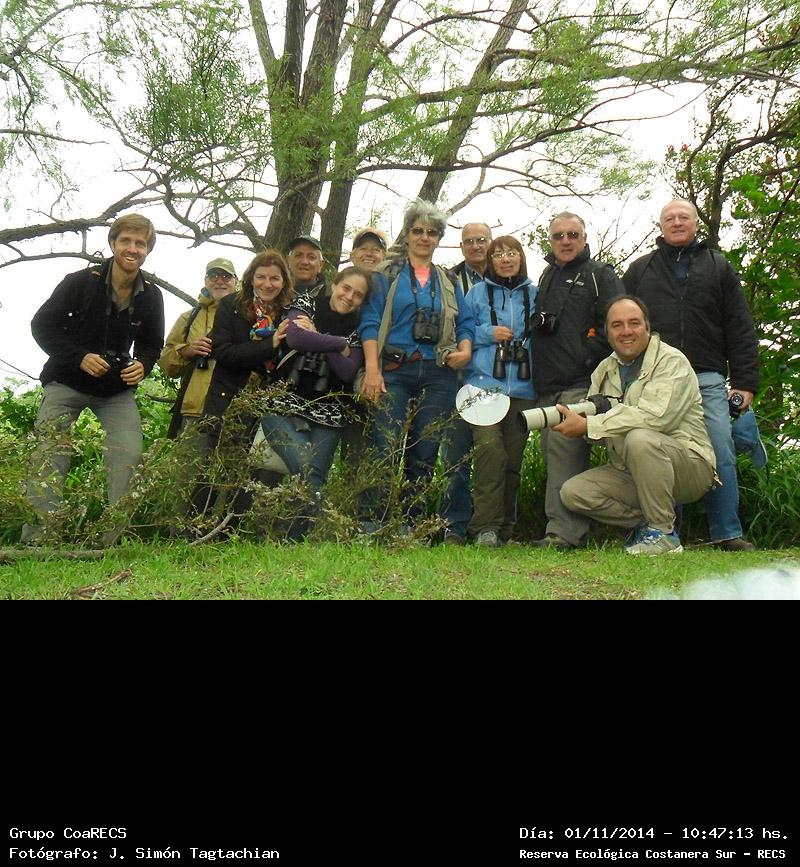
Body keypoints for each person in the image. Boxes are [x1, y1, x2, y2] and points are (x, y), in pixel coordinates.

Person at [623, 198, 760, 550]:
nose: (677, 222)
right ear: (661, 226)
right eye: (669, 218)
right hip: (656, 379)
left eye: (684, 217)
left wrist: (745, 382)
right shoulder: (640, 270)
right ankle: (664, 531)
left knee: (719, 447)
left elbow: (740, 325)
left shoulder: (718, 266)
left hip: (707, 378)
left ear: (696, 223)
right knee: (657, 451)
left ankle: (727, 533)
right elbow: (622, 326)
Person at [21, 213, 165, 544]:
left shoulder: (151, 295)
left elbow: (151, 344)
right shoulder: (79, 282)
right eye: (126, 241)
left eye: (140, 243)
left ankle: (113, 540)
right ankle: (38, 539)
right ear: (113, 244)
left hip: (115, 390)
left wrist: (143, 365)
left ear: (148, 250)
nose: (132, 249)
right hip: (65, 382)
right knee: (49, 453)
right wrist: (80, 357)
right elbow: (42, 325)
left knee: (129, 453)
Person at [557, 296, 716, 555]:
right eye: (617, 325)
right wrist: (575, 423)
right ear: (607, 333)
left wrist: (590, 425)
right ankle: (648, 526)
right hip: (631, 470)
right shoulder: (603, 370)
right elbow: (599, 429)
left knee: (640, 438)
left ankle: (663, 533)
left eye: (634, 323)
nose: (626, 331)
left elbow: (656, 418)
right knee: (573, 492)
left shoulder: (671, 361)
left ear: (647, 327)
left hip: (689, 466)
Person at [358, 198, 474, 530]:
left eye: (432, 233)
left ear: (439, 239)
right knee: (384, 444)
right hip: (393, 369)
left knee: (425, 448)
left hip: (438, 371)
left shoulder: (448, 279)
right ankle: (371, 522)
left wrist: (465, 350)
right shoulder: (387, 274)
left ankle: (410, 525)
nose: (424, 238)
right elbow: (370, 320)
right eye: (418, 231)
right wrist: (372, 369)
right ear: (407, 234)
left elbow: (466, 322)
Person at [530, 211, 624, 549]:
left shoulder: (600, 275)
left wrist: (586, 355)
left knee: (564, 450)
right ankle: (560, 527)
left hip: (581, 381)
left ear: (584, 239)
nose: (566, 241)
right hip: (547, 382)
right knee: (554, 455)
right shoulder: (547, 275)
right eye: (558, 236)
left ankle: (563, 534)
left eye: (573, 235)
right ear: (550, 241)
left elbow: (618, 323)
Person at [259, 266, 371, 538]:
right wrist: (339, 344)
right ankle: (324, 527)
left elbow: (347, 371)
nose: (349, 297)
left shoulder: (361, 326)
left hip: (330, 412)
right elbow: (296, 337)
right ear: (335, 285)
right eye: (346, 288)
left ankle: (294, 538)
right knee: (305, 465)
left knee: (314, 474)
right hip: (282, 403)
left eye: (358, 295)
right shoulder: (306, 303)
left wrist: (318, 337)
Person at [463, 236, 537, 547]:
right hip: (484, 386)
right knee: (490, 450)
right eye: (498, 254)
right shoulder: (476, 293)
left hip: (523, 387)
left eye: (511, 253)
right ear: (490, 261)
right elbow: (461, 330)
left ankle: (506, 529)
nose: (505, 259)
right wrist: (487, 333)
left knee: (513, 460)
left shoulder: (535, 293)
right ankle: (484, 528)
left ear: (521, 257)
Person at [439, 221, 494, 545]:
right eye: (469, 241)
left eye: (481, 240)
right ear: (461, 247)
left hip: (495, 381)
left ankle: (491, 525)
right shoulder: (448, 279)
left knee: (493, 454)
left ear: (490, 243)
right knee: (455, 455)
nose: (475, 246)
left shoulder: (508, 278)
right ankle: (454, 525)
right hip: (456, 379)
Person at [159, 257, 239, 438]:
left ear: (236, 282)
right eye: (214, 276)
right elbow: (166, 362)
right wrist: (186, 351)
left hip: (236, 412)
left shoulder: (249, 315)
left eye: (226, 276)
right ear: (205, 281)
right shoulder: (189, 317)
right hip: (194, 410)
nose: (219, 281)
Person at [287, 235, 326, 300]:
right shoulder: (276, 292)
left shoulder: (332, 296)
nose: (304, 262)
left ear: (320, 265)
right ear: (289, 261)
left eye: (311, 257)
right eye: (298, 255)